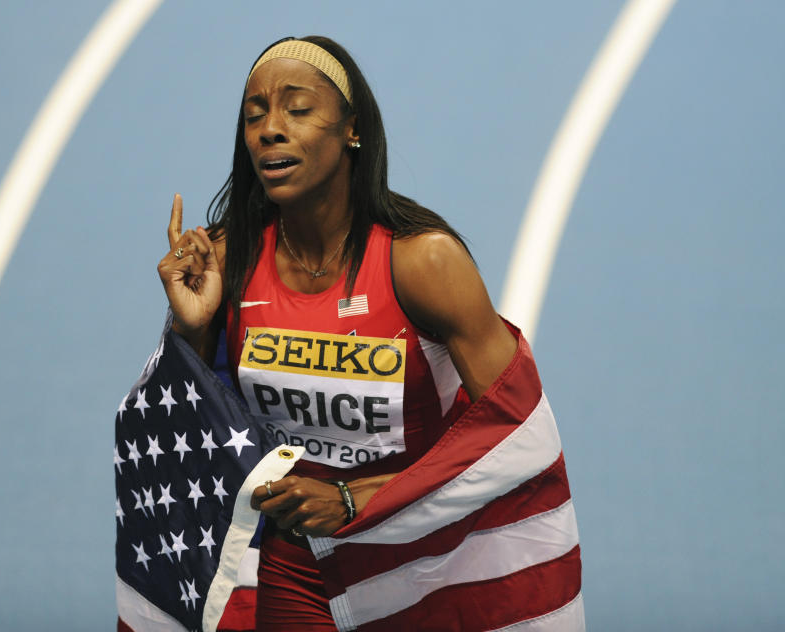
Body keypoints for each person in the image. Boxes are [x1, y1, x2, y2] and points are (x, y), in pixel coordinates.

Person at [157, 36, 581, 631]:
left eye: (296, 110)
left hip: (424, 557)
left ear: (351, 129)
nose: (269, 130)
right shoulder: (229, 259)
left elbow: (518, 434)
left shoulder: (422, 262)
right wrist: (191, 326)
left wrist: (356, 499)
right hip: (293, 565)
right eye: (255, 117)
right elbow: (193, 438)